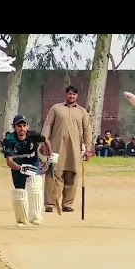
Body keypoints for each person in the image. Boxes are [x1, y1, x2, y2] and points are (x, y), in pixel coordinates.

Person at [41, 85, 92, 213]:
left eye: (74, 94)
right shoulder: (56, 109)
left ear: (77, 96)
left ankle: (67, 204)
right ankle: (50, 203)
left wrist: (88, 148)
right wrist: (43, 143)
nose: (71, 96)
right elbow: (47, 125)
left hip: (74, 149)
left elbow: (87, 130)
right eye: (69, 94)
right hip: (56, 148)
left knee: (72, 175)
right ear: (66, 95)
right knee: (53, 174)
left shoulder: (82, 112)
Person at [1, 115, 54, 226]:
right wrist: (21, 168)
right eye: (19, 126)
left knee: (35, 188)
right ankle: (21, 220)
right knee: (20, 192)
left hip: (33, 162)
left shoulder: (33, 135)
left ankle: (36, 217)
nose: (22, 129)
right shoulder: (9, 140)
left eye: (24, 126)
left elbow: (46, 140)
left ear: (27, 126)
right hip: (18, 164)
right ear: (14, 127)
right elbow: (9, 162)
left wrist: (50, 154)